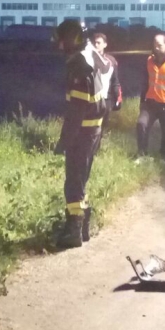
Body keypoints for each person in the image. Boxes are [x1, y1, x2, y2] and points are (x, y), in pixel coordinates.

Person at [52, 20, 107, 249]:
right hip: (92, 130)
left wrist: (64, 141)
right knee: (81, 178)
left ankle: (74, 230)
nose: (59, 46)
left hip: (83, 132)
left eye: (62, 41)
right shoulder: (88, 57)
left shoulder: (79, 67)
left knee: (74, 181)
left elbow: (77, 110)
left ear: (71, 39)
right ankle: (83, 227)